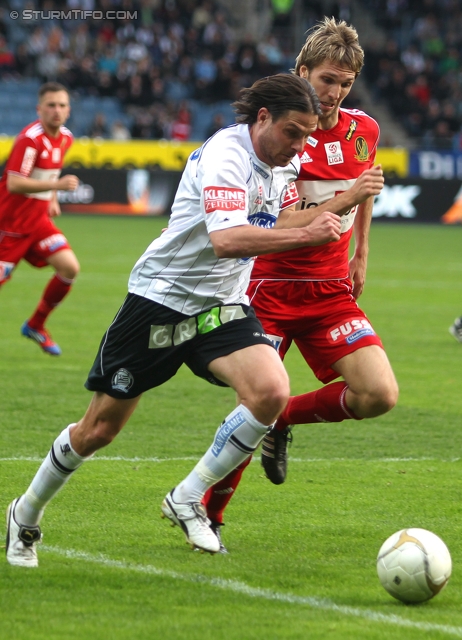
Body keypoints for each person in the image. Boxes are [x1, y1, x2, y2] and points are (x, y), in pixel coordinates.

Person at [5, 73, 343, 567]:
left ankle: (188, 497)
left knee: (272, 391)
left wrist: (340, 205)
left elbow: (275, 222)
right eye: (293, 132)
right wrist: (307, 237)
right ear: (263, 117)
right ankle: (25, 513)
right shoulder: (226, 155)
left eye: (308, 136)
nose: (299, 146)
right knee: (98, 430)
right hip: (160, 299)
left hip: (221, 305)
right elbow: (229, 239)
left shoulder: (280, 166)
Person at [202, 17, 399, 553]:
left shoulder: (365, 131)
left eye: (345, 83)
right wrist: (347, 198)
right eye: (327, 80)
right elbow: (279, 224)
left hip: (331, 288)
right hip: (270, 285)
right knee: (251, 402)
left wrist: (361, 252)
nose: (334, 93)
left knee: (379, 394)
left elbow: (366, 190)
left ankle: (283, 419)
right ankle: (210, 515)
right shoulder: (280, 138)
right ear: (303, 70)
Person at [0, 81, 79, 356]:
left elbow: (50, 173)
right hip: (9, 227)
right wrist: (56, 189)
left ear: (68, 110)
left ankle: (36, 325)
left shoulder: (66, 137)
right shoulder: (30, 140)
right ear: (39, 109)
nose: (56, 111)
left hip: (37, 223)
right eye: (51, 105)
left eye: (61, 105)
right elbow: (14, 183)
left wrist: (52, 199)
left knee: (69, 267)